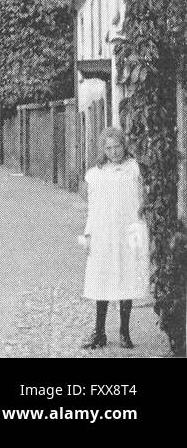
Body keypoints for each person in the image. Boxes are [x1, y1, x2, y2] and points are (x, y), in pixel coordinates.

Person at [80, 126, 150, 349]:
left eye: (117, 146)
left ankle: (124, 332)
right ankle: (99, 332)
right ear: (103, 149)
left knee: (127, 276)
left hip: (129, 232)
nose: (113, 152)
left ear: (124, 145)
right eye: (108, 148)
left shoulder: (135, 169)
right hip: (104, 233)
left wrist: (141, 231)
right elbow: (92, 208)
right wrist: (89, 233)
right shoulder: (96, 174)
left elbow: (142, 200)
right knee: (103, 278)